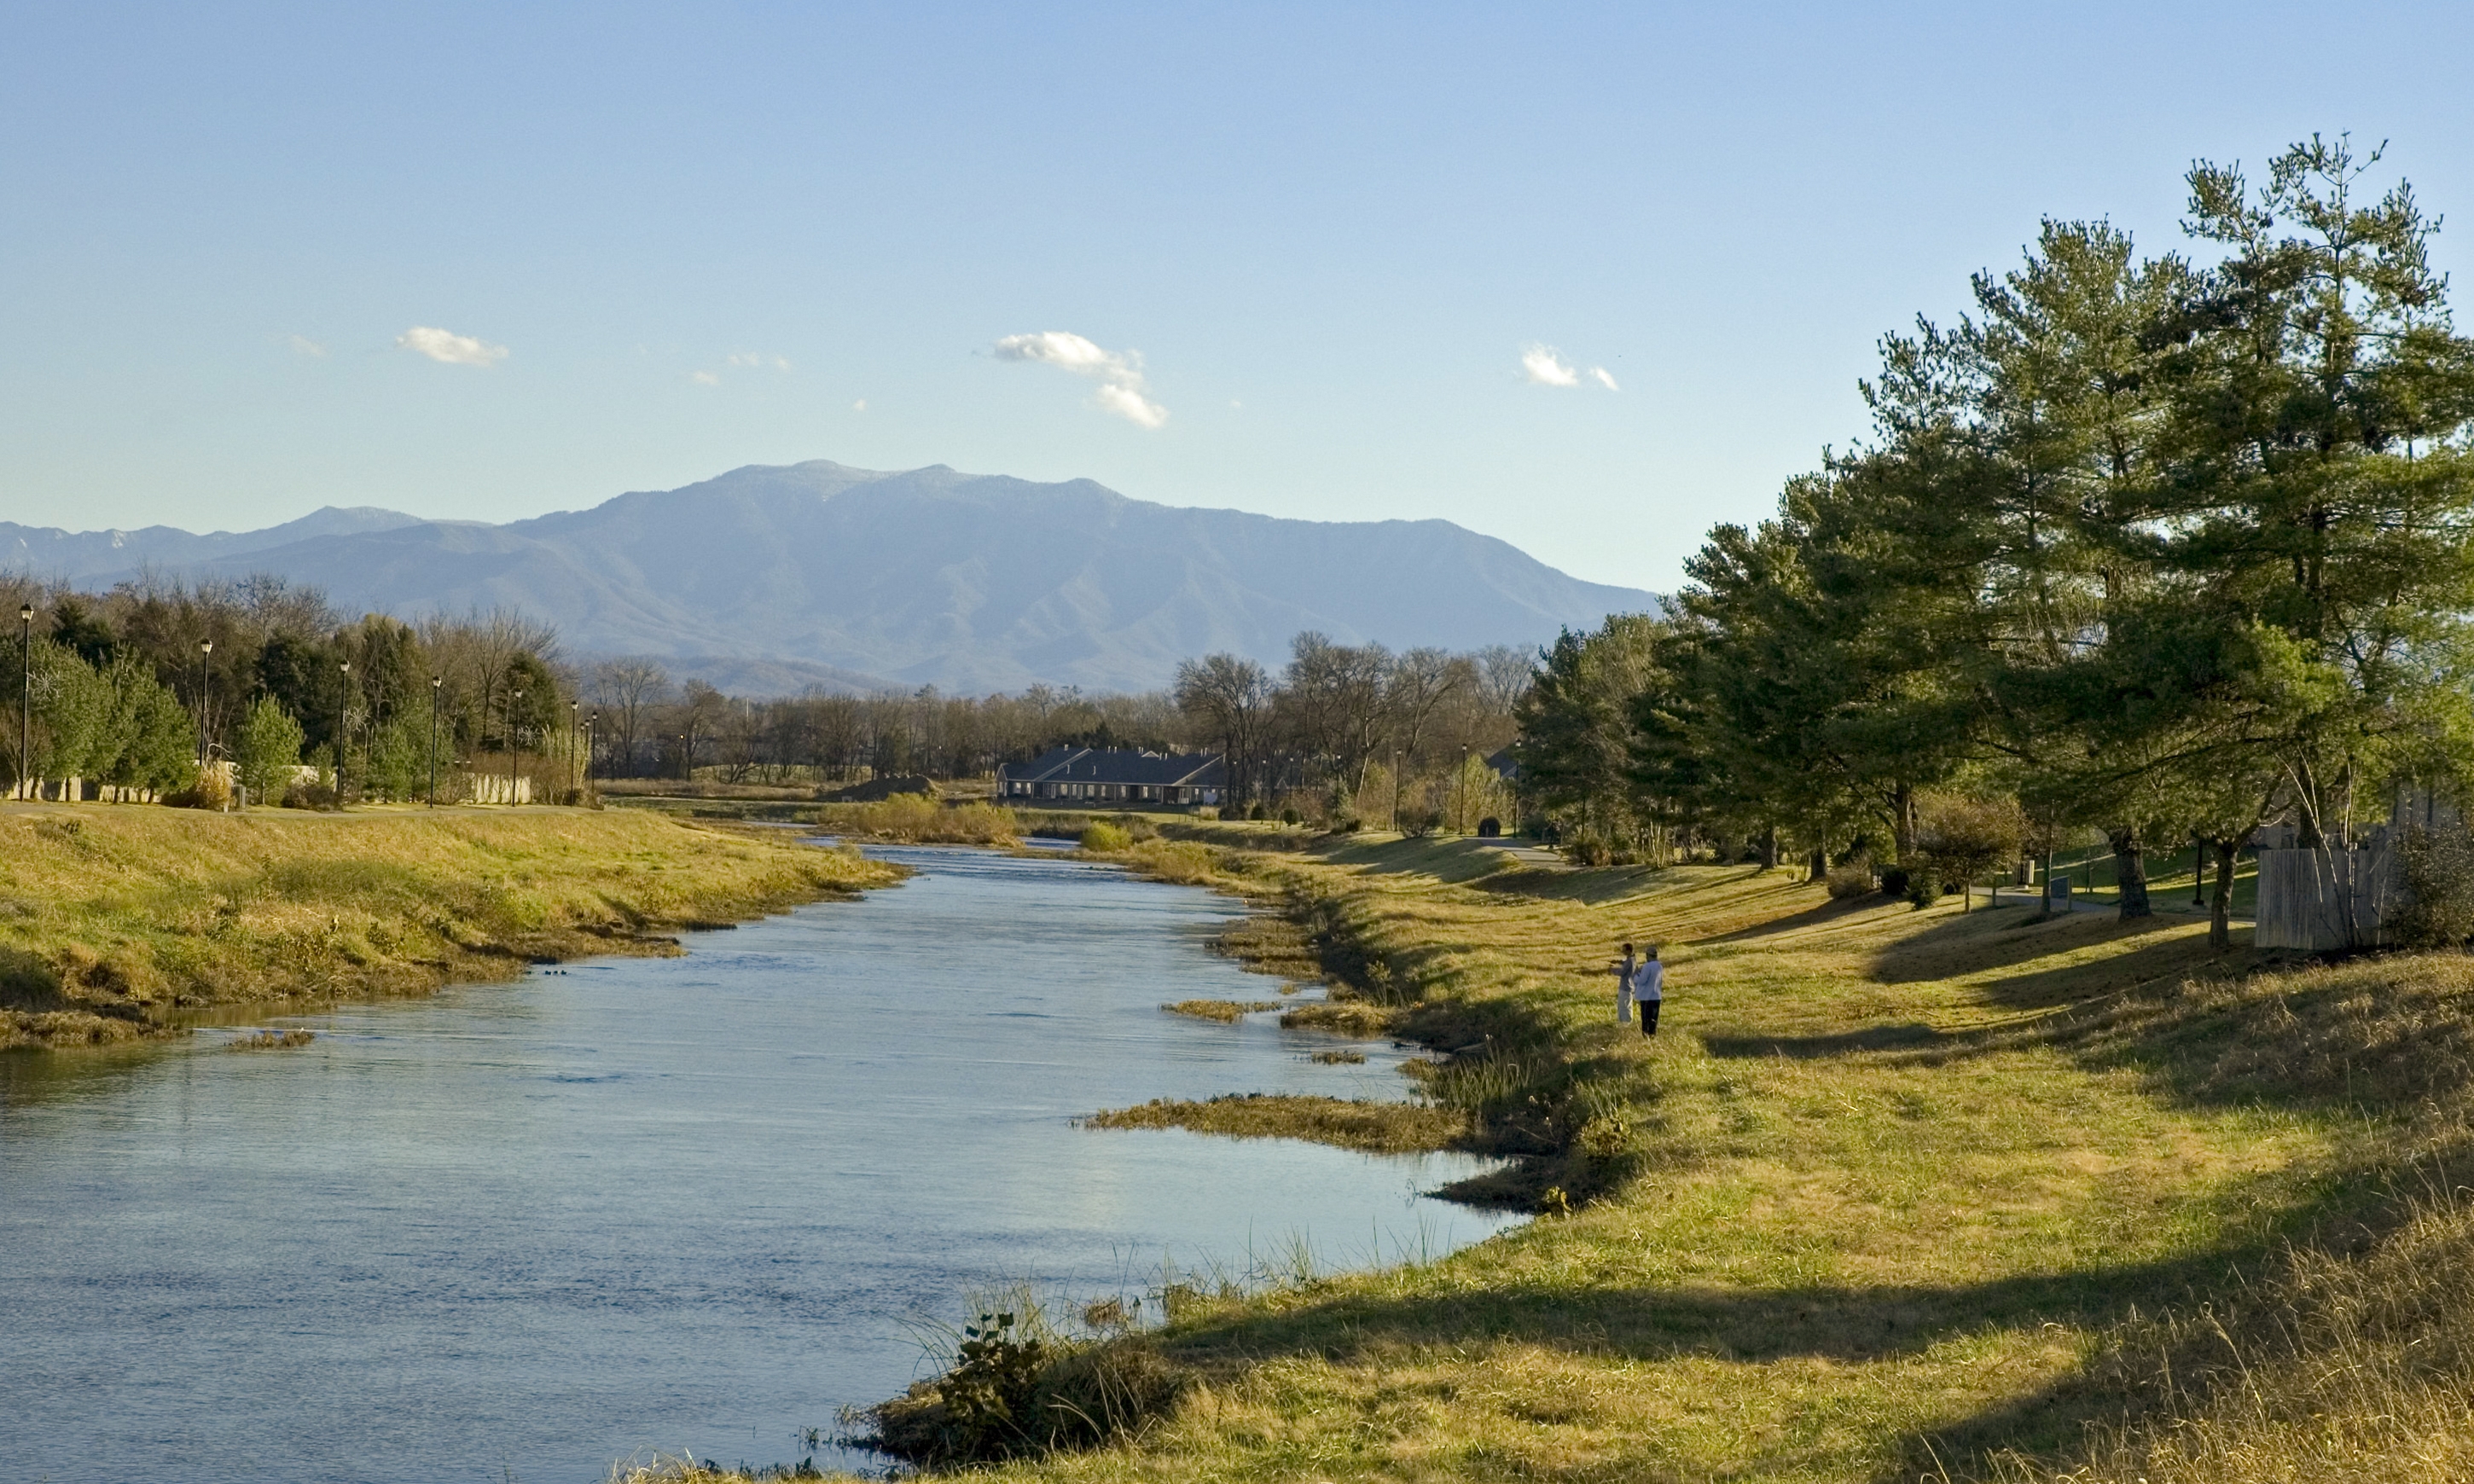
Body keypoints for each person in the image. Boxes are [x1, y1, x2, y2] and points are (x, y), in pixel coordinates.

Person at [1634, 945, 1663, 1037]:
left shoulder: (1647, 966)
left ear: (1648, 955)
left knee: (1646, 1019)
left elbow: (1642, 981)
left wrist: (1636, 975)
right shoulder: (1659, 966)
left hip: (1646, 996)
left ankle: (1646, 1037)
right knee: (1654, 1019)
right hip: (1656, 996)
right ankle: (1653, 1035)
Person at [1611, 942, 1635, 1024]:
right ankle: (1623, 1023)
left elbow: (1622, 972)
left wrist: (1612, 970)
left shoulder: (1630, 961)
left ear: (1629, 951)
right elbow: (1625, 963)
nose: (1622, 952)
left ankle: (1626, 1023)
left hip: (1626, 988)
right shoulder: (1631, 959)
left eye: (1624, 950)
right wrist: (1618, 961)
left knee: (1625, 1007)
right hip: (1625, 987)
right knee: (1622, 1006)